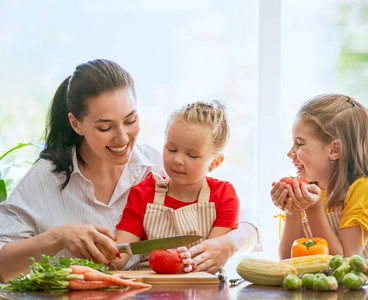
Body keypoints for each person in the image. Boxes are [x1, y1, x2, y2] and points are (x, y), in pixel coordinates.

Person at [0, 59, 261, 282]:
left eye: (130, 120)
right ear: (76, 124)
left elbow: (248, 222)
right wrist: (58, 236)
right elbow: (3, 265)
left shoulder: (160, 165)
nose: (122, 138)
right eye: (105, 127)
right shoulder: (47, 177)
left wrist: (228, 244)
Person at [110, 100, 240, 270]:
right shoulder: (143, 193)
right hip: (149, 288)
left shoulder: (224, 196)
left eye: (192, 155)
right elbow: (118, 258)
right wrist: (102, 252)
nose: (178, 160)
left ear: (215, 162)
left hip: (200, 288)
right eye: (171, 149)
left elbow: (208, 258)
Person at [271, 93, 368, 260]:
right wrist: (292, 211)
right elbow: (288, 260)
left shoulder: (366, 188)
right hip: (323, 285)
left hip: (362, 285)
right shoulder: (308, 189)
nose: (290, 153)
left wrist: (313, 208)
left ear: (334, 150)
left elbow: (344, 260)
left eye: (300, 144)